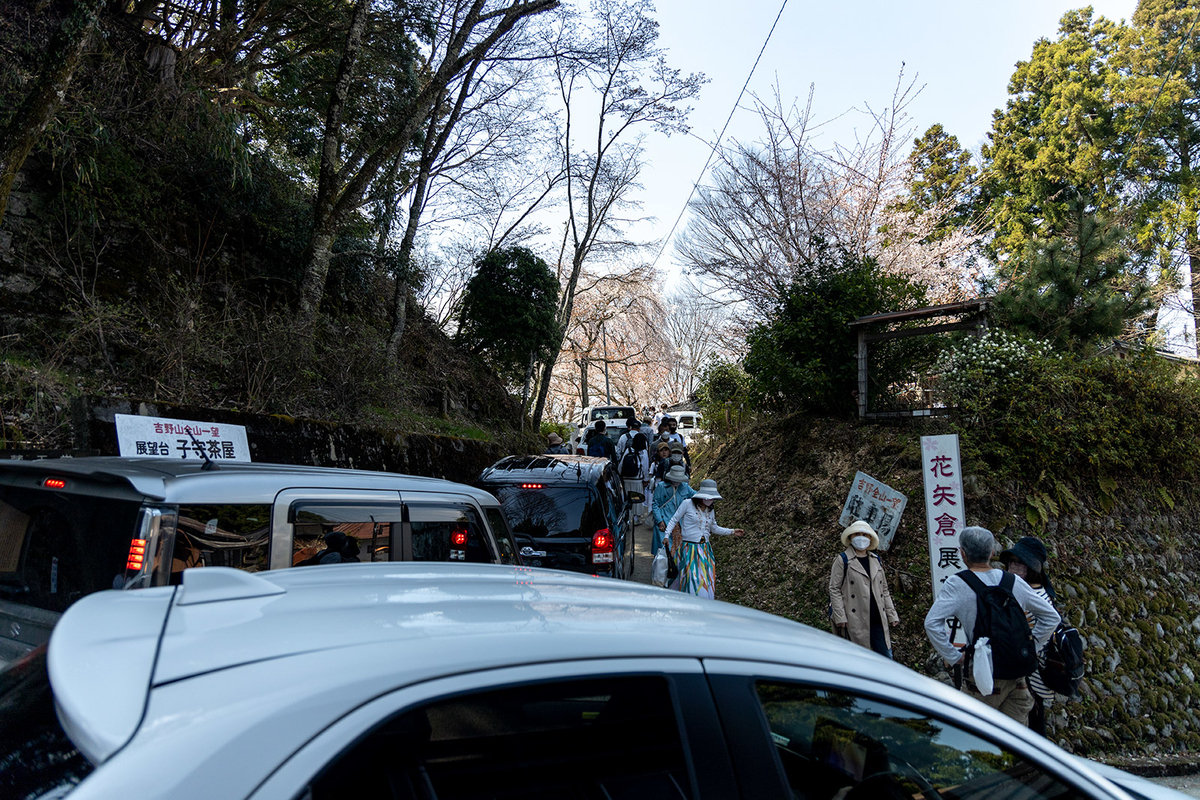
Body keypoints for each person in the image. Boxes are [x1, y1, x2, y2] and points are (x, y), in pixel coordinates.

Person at [924, 526, 1060, 723]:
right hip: (1017, 678)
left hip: (982, 678)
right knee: (1013, 743)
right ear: (992, 552)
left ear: (962, 553)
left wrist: (954, 656)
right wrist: (1031, 645)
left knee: (976, 740)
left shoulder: (957, 584)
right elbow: (1051, 617)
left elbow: (932, 623)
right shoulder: (1013, 581)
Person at [1000, 536, 1057, 735]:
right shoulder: (1022, 590)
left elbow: (1045, 625)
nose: (1014, 567)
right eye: (1012, 562)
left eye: (1020, 563)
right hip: (1026, 669)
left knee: (1033, 725)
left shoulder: (1035, 596)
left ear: (1031, 568)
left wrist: (1029, 648)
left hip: (1032, 673)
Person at [828, 520, 899, 658]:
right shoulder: (843, 560)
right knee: (858, 659)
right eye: (857, 534)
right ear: (850, 537)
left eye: (865, 535)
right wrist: (840, 616)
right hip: (855, 619)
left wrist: (892, 614)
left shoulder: (875, 559)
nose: (861, 538)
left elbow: (884, 590)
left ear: (870, 538)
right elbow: (834, 589)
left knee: (886, 658)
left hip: (878, 618)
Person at [663, 479, 745, 598]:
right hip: (689, 550)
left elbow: (714, 528)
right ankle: (691, 605)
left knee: (706, 580)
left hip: (705, 551)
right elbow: (674, 519)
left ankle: (702, 606)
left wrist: (732, 532)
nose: (711, 500)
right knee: (693, 579)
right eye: (709, 497)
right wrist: (666, 535)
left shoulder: (710, 510)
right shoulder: (687, 504)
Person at [651, 464, 694, 556]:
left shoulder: (685, 487)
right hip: (664, 521)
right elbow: (655, 504)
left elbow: (695, 496)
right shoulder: (661, 487)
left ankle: (676, 568)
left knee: (679, 550)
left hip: (679, 523)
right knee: (664, 550)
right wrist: (659, 521)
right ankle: (664, 567)